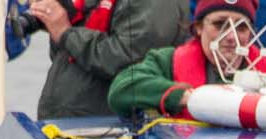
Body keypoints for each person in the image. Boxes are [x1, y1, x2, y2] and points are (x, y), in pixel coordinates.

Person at [106, 0, 266, 121]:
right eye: (219, 24)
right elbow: (122, 89)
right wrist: (190, 98)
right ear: (199, 27)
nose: (231, 36)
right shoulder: (167, 61)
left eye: (241, 27)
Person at [30, 0, 188, 121]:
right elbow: (64, 57)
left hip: (108, 133)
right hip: (67, 124)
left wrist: (67, 33)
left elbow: (129, 60)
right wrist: (55, 18)